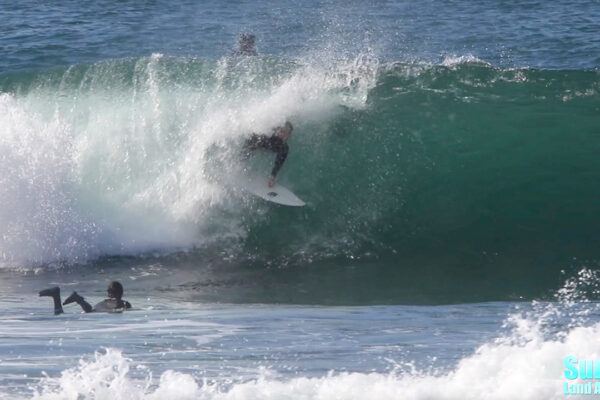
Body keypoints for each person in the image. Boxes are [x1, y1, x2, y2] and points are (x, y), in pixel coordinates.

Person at [243, 122, 293, 187]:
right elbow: (254, 144)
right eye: (283, 131)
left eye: (288, 133)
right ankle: (237, 162)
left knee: (284, 150)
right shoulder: (269, 135)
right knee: (245, 155)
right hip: (253, 139)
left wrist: (272, 177)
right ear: (278, 130)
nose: (286, 135)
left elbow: (279, 163)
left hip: (263, 145)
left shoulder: (284, 147)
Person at [39, 281, 132, 315]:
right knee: (59, 314)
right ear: (122, 292)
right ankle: (57, 296)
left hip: (98, 308)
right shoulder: (122, 303)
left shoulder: (107, 301)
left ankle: (58, 296)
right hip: (100, 309)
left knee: (90, 311)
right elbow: (119, 306)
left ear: (109, 293)